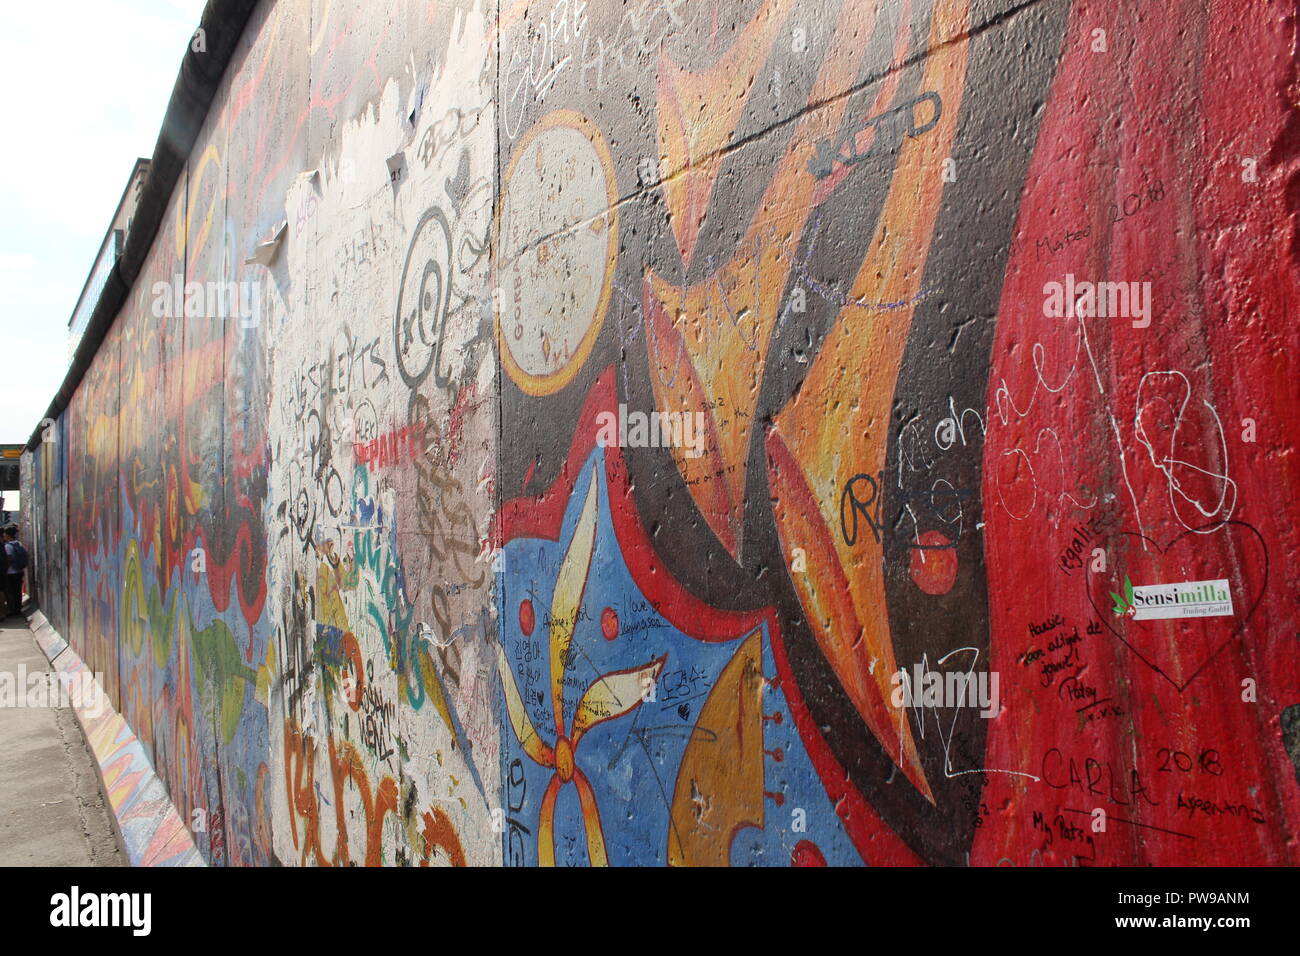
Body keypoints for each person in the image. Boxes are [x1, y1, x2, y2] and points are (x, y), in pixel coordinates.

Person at [3, 526, 26, 618]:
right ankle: (18, 608)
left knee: (11, 592)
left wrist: (5, 569)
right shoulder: (18, 544)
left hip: (10, 573)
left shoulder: (8, 546)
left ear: (8, 535)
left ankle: (13, 609)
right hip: (19, 571)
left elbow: (9, 559)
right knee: (17, 591)